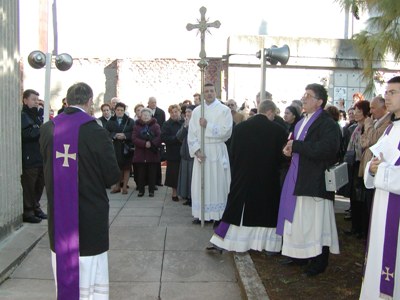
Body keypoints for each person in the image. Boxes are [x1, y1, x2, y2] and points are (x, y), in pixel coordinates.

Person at [39, 82, 120, 299]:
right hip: (89, 217)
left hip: (59, 218)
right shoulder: (96, 131)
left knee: (64, 272)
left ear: (67, 100)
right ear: (89, 102)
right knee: (92, 275)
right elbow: (112, 176)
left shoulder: (47, 129)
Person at [277, 83, 341, 277]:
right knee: (299, 221)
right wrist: (288, 149)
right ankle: (300, 255)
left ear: (319, 102)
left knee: (316, 224)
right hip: (297, 178)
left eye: (308, 95)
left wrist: (297, 146)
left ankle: (319, 262)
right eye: (304, 94)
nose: (303, 98)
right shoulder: (300, 121)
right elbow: (294, 144)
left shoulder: (327, 123)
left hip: (314, 182)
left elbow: (328, 150)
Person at [209, 100, 288, 252]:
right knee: (266, 210)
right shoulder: (278, 130)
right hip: (267, 178)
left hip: (243, 176)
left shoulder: (240, 128)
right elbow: (283, 157)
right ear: (270, 112)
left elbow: (233, 153)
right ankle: (268, 246)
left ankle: (227, 241)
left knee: (236, 209)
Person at [360, 76, 400, 299]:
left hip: (396, 212)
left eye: (393, 92)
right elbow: (375, 163)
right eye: (387, 91)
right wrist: (373, 168)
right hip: (382, 204)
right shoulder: (389, 129)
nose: (387, 96)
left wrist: (379, 171)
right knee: (377, 254)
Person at [188, 83, 233, 225]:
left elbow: (227, 132)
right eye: (206, 91)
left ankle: (218, 215)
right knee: (202, 183)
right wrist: (197, 150)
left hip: (217, 150)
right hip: (202, 151)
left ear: (215, 92)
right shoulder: (197, 111)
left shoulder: (224, 110)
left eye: (211, 91)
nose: (209, 93)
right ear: (202, 94)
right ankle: (202, 213)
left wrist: (208, 125)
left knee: (218, 182)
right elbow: (192, 133)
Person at [358, 96, 392, 238]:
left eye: (373, 107)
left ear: (383, 107)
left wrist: (369, 126)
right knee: (366, 205)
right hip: (368, 167)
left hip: (377, 171)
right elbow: (363, 142)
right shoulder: (376, 122)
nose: (370, 111)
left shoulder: (388, 122)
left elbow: (371, 140)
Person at [344, 100, 370, 237]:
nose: (355, 113)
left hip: (362, 164)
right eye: (355, 110)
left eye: (359, 111)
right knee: (354, 198)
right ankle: (355, 226)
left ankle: (361, 228)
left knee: (361, 198)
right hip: (354, 163)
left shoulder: (367, 127)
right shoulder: (355, 127)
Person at [21, 89, 46, 223]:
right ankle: (28, 211)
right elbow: (27, 134)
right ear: (25, 100)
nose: (36, 102)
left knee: (39, 184)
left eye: (37, 100)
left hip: (39, 156)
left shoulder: (36, 115)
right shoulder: (24, 115)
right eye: (33, 100)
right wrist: (40, 128)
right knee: (30, 185)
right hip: (29, 157)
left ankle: (36, 207)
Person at [105, 102, 135, 194]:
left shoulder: (130, 121)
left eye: (122, 110)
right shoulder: (110, 121)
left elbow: (134, 133)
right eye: (118, 110)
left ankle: (125, 186)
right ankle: (117, 186)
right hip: (115, 147)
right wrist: (114, 135)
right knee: (117, 167)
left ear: (124, 111)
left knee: (126, 167)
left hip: (126, 147)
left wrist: (125, 135)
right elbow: (106, 132)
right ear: (115, 110)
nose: (120, 112)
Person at [132, 108, 161, 197]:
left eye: (147, 115)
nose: (145, 117)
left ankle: (151, 190)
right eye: (144, 115)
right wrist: (144, 143)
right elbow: (134, 138)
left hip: (152, 154)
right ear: (140, 116)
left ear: (150, 116)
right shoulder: (136, 126)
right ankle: (141, 190)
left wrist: (151, 143)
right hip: (140, 154)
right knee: (141, 174)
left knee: (152, 174)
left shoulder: (156, 126)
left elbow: (159, 137)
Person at [161, 104, 184, 201]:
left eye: (176, 112)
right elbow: (164, 137)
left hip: (184, 152)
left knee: (184, 173)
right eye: (172, 112)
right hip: (173, 152)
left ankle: (184, 192)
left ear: (180, 112)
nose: (174, 114)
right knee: (174, 174)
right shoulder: (167, 124)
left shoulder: (184, 122)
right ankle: (174, 193)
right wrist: (176, 138)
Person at [176, 105, 196, 206]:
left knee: (193, 178)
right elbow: (179, 137)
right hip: (185, 154)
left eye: (190, 112)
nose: (188, 114)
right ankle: (188, 196)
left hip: (193, 155)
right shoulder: (185, 123)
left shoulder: (197, 123)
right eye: (187, 112)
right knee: (186, 178)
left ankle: (194, 198)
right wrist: (185, 126)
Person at [148, 96, 166, 186]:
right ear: (148, 103)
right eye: (152, 102)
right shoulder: (146, 111)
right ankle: (149, 181)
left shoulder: (161, 112)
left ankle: (158, 181)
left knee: (157, 161)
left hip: (157, 140)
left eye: (155, 102)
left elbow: (163, 125)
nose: (154, 104)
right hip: (147, 140)